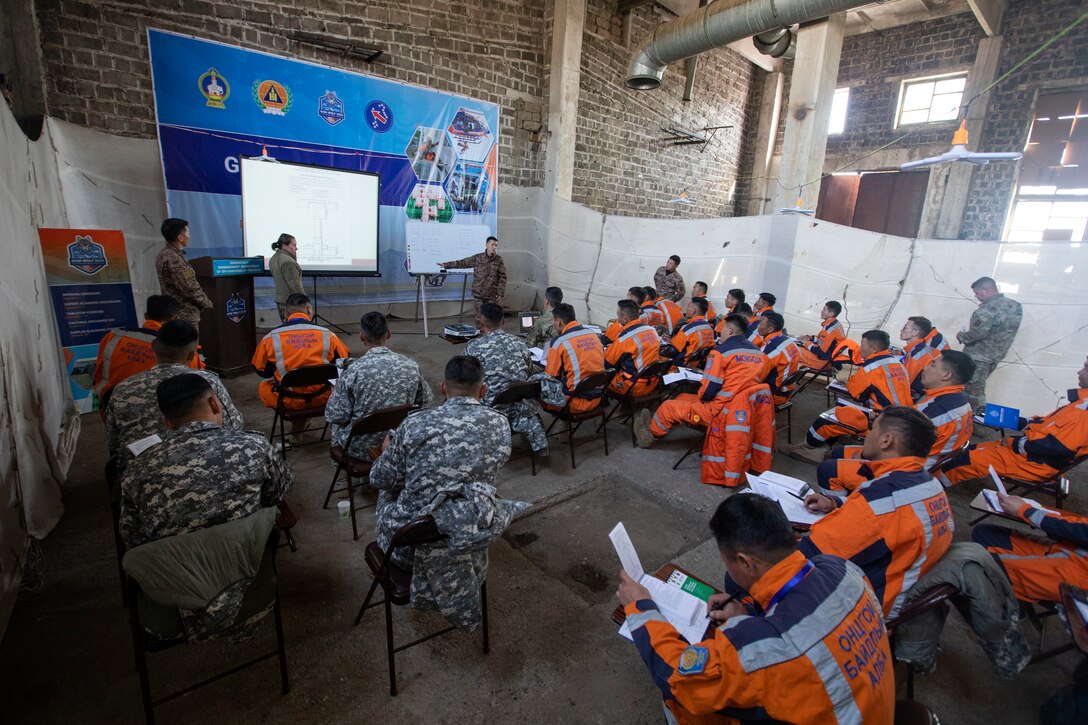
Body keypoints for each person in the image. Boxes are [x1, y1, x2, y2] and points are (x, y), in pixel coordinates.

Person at [617, 494, 894, 724]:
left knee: (680, 701)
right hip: (868, 708)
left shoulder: (759, 645)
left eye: (727, 562)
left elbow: (679, 676)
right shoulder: (842, 569)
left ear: (745, 562)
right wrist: (748, 613)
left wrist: (641, 607)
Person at [370, 355, 527, 631]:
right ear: (484, 390)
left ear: (443, 387)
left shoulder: (415, 424)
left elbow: (379, 478)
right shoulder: (500, 425)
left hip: (408, 548)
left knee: (387, 491)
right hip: (470, 543)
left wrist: (388, 451)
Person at [800, 406, 953, 618]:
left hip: (865, 604)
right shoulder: (929, 485)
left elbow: (808, 555)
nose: (868, 434)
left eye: (872, 429)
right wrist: (834, 503)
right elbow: (890, 515)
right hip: (899, 587)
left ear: (886, 440)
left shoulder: (879, 500)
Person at [119, 373, 293, 548]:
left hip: (179, 568)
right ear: (214, 403)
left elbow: (132, 536)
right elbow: (279, 491)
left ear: (167, 422)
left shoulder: (137, 470)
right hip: (249, 554)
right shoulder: (255, 445)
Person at [817, 350, 975, 496]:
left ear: (946, 375)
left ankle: (842, 511)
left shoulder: (936, 411)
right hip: (922, 463)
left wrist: (872, 429)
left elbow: (891, 444)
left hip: (903, 472)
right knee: (839, 453)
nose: (925, 368)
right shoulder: (959, 402)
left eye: (932, 364)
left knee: (827, 470)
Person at [936, 355, 1088, 487]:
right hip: (1031, 454)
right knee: (966, 450)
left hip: (1035, 462)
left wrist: (1012, 443)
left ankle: (932, 487)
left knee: (962, 461)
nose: (1079, 372)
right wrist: (1015, 421)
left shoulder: (1084, 413)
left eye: (1086, 369)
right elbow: (1046, 424)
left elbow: (1055, 447)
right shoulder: (1081, 403)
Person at [106, 319, 242, 464]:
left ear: (153, 346)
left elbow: (114, 443)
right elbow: (234, 425)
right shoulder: (207, 381)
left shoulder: (123, 388)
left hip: (142, 468)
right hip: (204, 462)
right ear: (191, 355)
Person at [634, 314, 766, 445]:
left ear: (730, 330)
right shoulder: (757, 353)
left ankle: (650, 436)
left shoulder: (721, 353)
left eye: (723, 328)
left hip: (721, 411)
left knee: (667, 406)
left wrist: (702, 397)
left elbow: (708, 392)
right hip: (742, 408)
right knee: (682, 397)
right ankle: (660, 424)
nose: (720, 331)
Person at [324, 312, 433, 461]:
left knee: (336, 425)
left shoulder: (353, 371)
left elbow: (335, 415)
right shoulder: (410, 365)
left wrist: (334, 395)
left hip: (359, 448)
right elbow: (426, 402)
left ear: (361, 336)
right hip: (398, 441)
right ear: (388, 334)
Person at [792, 329, 913, 462]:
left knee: (826, 420)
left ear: (874, 348)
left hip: (882, 420)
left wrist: (850, 383)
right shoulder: (897, 363)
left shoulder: (871, 368)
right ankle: (827, 444)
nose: (860, 348)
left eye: (862, 344)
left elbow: (856, 394)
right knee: (844, 411)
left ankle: (808, 449)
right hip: (903, 418)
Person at [972, 491, 1088, 604]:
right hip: (1063, 549)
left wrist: (1025, 510)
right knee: (984, 533)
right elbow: (1075, 527)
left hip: (1073, 575)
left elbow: (1079, 530)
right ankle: (998, 591)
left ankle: (1008, 610)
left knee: (974, 564)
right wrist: (1027, 511)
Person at [465, 303, 548, 455]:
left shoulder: (474, 348)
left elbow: (467, 380)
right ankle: (529, 442)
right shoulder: (519, 343)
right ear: (504, 322)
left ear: (481, 323)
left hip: (490, 409)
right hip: (519, 406)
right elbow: (529, 372)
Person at [93, 294, 203, 402]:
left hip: (111, 405)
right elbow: (197, 381)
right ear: (176, 318)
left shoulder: (114, 336)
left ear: (146, 316)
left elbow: (99, 372)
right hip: (160, 412)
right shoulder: (183, 345)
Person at [251, 292, 349, 412]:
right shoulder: (328, 334)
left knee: (263, 386)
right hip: (323, 397)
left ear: (286, 313)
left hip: (287, 400)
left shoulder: (270, 338)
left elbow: (262, 371)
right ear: (309, 309)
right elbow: (344, 361)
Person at [958, 276, 1023, 411]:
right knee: (973, 388)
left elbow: (978, 333)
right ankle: (967, 417)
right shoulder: (1014, 306)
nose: (976, 296)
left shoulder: (987, 309)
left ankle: (979, 424)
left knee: (974, 391)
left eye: (977, 293)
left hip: (978, 357)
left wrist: (962, 336)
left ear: (986, 290)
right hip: (995, 355)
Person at [543, 303, 606, 413]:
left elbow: (551, 376)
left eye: (553, 321)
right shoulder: (593, 335)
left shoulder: (559, 342)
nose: (552, 323)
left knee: (539, 384)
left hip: (574, 402)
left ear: (559, 322)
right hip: (597, 398)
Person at [155, 218, 212, 330]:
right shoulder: (174, 259)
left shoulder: (163, 254)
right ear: (180, 237)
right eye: (188, 233)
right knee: (188, 346)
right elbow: (189, 287)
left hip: (174, 313)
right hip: (184, 316)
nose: (189, 236)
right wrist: (207, 303)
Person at [440, 235, 507, 322]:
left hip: (492, 295)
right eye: (492, 245)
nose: (494, 247)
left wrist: (500, 292)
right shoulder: (478, 258)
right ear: (486, 245)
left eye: (496, 245)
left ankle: (490, 334)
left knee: (491, 318)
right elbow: (462, 263)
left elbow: (502, 276)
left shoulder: (499, 260)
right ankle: (480, 333)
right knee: (479, 318)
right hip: (478, 294)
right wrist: (446, 265)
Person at [604, 300, 660, 397]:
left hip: (632, 386)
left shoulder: (625, 337)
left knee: (597, 374)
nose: (617, 318)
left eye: (618, 315)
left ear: (625, 319)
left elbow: (608, 364)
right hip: (652, 383)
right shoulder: (652, 330)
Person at [758, 311, 801, 406]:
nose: (758, 325)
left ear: (770, 329)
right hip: (786, 391)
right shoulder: (788, 341)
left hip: (775, 395)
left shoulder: (773, 349)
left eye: (761, 323)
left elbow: (758, 376)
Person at [899, 316, 942, 397]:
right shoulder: (916, 349)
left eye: (905, 327)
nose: (901, 330)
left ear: (915, 332)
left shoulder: (916, 354)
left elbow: (905, 383)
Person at [797, 300, 845, 370]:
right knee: (796, 349)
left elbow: (821, 352)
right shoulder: (835, 324)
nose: (821, 311)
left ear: (831, 314)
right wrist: (810, 338)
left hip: (823, 362)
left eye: (824, 309)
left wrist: (806, 343)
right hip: (829, 358)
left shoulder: (829, 330)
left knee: (793, 350)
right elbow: (823, 341)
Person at [667, 298, 715, 367]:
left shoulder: (688, 328)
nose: (686, 309)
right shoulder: (709, 327)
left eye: (688, 306)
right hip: (699, 363)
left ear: (693, 311)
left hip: (682, 364)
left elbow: (673, 349)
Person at [268, 233, 304, 323]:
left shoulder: (274, 258)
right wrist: (305, 301)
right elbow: (295, 285)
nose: (296, 248)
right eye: (294, 245)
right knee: (295, 330)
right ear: (284, 246)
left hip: (281, 300)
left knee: (287, 328)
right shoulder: (288, 262)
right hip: (292, 302)